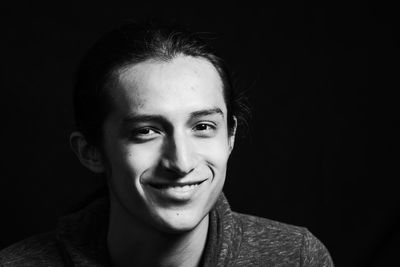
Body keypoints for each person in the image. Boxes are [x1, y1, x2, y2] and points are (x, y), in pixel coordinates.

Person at [0, 20, 334, 266]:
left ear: (230, 137)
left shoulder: (297, 257)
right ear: (91, 151)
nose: (181, 161)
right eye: (146, 131)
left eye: (202, 126)